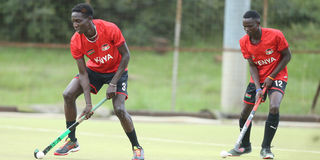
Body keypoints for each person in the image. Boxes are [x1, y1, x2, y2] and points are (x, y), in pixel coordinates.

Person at [53, 3, 144, 160]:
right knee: (68, 94)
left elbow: (126, 56)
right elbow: (82, 74)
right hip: (94, 71)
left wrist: (114, 83)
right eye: (73, 21)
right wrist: (88, 104)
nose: (75, 25)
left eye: (78, 21)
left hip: (117, 71)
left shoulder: (109, 29)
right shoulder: (76, 41)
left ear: (89, 19)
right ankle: (72, 141)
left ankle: (137, 147)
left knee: (119, 110)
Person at [227, 10, 291, 159]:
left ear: (258, 24)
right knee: (244, 112)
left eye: (250, 26)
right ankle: (244, 146)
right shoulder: (244, 42)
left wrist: (272, 76)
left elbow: (287, 56)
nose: (247, 30)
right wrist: (257, 88)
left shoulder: (276, 35)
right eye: (244, 27)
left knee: (274, 106)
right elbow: (252, 65)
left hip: (278, 75)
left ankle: (266, 149)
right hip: (258, 78)